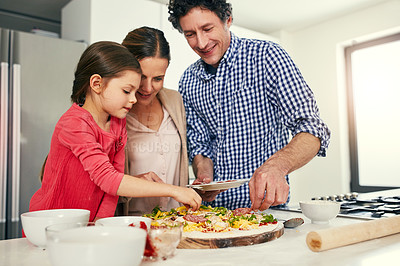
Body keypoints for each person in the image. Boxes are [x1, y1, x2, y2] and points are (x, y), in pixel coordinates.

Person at [167, 0, 331, 211]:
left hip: (267, 210)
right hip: (214, 214)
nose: (201, 42)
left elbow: (313, 129)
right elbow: (200, 144)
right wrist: (205, 176)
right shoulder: (188, 80)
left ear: (228, 20)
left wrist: (277, 167)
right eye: (190, 34)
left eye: (207, 29)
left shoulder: (267, 57)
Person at [29, 41, 201, 222]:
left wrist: (100, 228)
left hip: (86, 228)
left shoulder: (118, 124)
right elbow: (107, 179)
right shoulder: (74, 124)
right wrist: (174, 190)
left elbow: (111, 191)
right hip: (51, 224)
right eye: (127, 91)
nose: (134, 99)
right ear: (97, 83)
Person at [116, 26, 189, 215]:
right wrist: (133, 183)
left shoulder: (175, 101)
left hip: (176, 221)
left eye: (158, 78)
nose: (148, 88)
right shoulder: (114, 111)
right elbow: (100, 179)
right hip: (132, 223)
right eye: (141, 77)